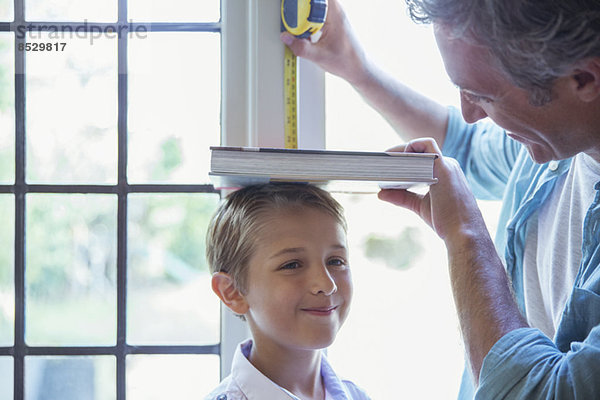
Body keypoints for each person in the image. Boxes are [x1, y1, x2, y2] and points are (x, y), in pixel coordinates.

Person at [281, 0, 600, 398]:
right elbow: (461, 147)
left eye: (481, 95)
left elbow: (537, 393)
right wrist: (355, 69)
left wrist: (465, 235)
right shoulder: (554, 140)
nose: (470, 113)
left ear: (584, 80)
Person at [204, 183, 370, 400]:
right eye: (292, 265)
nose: (327, 285)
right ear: (232, 291)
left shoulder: (357, 396)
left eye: (336, 261)